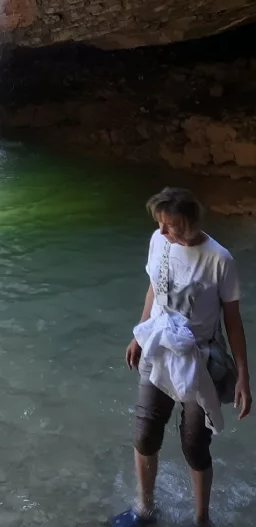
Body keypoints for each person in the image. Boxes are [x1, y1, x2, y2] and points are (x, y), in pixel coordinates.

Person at [112, 187, 251, 527]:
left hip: (198, 358)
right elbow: (154, 289)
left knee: (194, 444)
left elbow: (232, 321)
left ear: (190, 221)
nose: (163, 231)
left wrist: (244, 377)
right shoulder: (159, 241)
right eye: (159, 223)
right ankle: (145, 511)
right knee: (145, 432)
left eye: (170, 224)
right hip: (158, 346)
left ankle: (202, 519)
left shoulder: (219, 259)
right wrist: (139, 333)